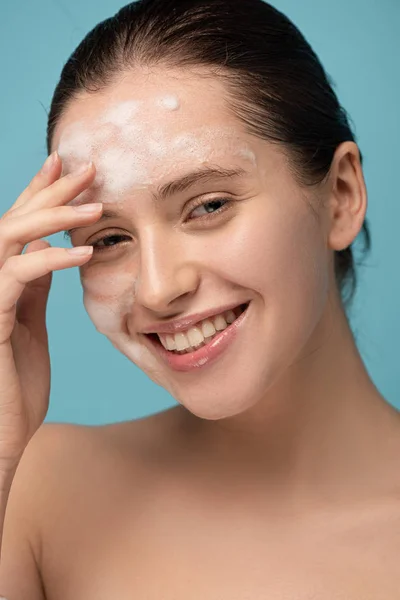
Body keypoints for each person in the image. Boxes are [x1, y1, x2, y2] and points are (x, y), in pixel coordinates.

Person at [0, 0, 399, 596]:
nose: (159, 289)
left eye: (208, 205)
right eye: (109, 239)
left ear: (340, 196)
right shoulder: (36, 493)